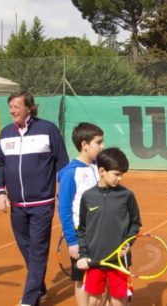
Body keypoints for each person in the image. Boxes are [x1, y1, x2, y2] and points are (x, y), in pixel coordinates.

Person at [0, 90, 69, 306]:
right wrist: (0, 191)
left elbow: (62, 163)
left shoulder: (48, 130)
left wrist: (65, 193)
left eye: (16, 106)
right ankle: (40, 288)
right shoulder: (6, 133)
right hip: (16, 206)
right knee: (26, 248)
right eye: (10, 107)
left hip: (42, 205)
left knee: (37, 250)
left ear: (29, 108)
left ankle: (29, 300)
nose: (12, 110)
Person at [76, 148, 141, 306]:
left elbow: (135, 224)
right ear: (102, 171)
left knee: (119, 302)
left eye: (122, 174)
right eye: (116, 174)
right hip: (95, 260)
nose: (120, 178)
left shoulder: (127, 195)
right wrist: (83, 254)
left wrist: (128, 243)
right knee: (94, 301)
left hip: (118, 261)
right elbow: (82, 229)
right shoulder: (88, 197)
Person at [57, 122, 104, 306]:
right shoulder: (70, 173)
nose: (102, 146)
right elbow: (64, 209)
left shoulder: (96, 167)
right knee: (81, 277)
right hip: (80, 234)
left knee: (99, 275)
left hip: (99, 232)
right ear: (84, 145)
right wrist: (72, 240)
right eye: (98, 142)